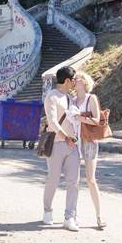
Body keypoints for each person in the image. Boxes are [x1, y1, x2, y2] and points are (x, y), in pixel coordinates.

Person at [43, 66, 80, 232]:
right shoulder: (52, 96)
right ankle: (47, 210)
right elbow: (52, 122)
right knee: (53, 179)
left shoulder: (71, 99)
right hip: (57, 143)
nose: (74, 83)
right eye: (73, 80)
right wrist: (66, 137)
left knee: (74, 181)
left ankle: (69, 217)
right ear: (66, 80)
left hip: (72, 145)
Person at [72, 71, 107, 230]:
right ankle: (72, 216)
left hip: (89, 141)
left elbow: (97, 120)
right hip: (74, 142)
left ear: (84, 81)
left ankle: (99, 216)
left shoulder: (90, 98)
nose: (74, 81)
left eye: (76, 78)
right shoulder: (72, 100)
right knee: (74, 180)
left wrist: (80, 118)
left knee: (90, 179)